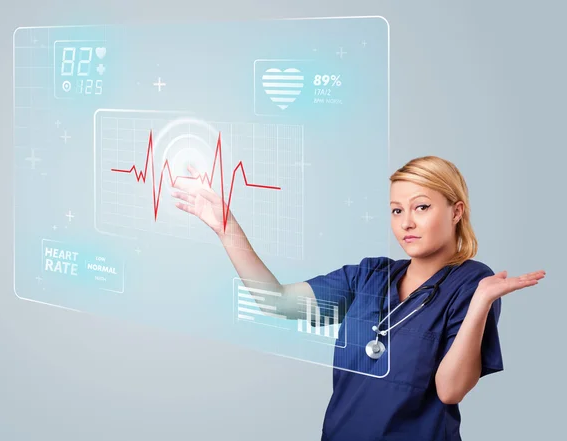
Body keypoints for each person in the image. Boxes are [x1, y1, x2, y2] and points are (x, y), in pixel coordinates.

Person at [170, 155, 545, 441]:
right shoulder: (369, 275)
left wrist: (481, 304)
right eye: (397, 210)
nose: (406, 222)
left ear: (456, 211)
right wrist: (225, 227)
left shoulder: (471, 284)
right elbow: (276, 302)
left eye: (422, 207)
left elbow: (450, 390)